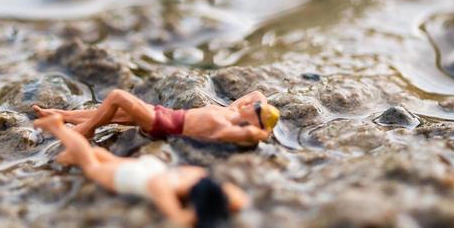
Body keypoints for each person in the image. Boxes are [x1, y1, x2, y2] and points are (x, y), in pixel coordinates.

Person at [33, 113, 248, 228]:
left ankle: (73, 155)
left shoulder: (198, 176)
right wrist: (188, 215)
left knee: (107, 160)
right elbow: (171, 209)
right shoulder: (165, 188)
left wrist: (218, 201)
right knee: (91, 167)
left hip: (151, 168)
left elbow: (238, 198)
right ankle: (57, 128)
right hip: (136, 178)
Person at [32, 89, 280, 146]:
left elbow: (253, 134)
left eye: (256, 109)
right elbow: (257, 93)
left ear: (255, 119)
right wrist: (265, 112)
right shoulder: (232, 111)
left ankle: (85, 130)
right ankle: (63, 115)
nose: (254, 104)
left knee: (118, 97)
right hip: (167, 114)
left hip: (163, 124)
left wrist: (264, 130)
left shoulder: (227, 128)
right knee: (115, 113)